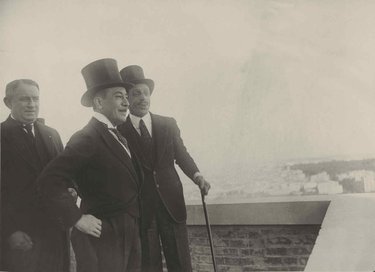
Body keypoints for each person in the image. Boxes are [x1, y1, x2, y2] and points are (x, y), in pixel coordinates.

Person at [37, 58, 143, 272]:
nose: (126, 103)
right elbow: (49, 180)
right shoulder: (87, 137)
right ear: (98, 103)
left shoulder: (117, 135)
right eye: (118, 97)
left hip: (129, 230)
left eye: (125, 97)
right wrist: (76, 218)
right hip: (103, 235)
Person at [118, 65, 211, 272]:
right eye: (136, 94)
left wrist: (197, 176)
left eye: (146, 93)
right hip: (143, 210)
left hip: (172, 204)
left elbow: (182, 155)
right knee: (148, 265)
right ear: (126, 98)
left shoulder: (167, 124)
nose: (143, 98)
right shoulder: (120, 131)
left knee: (180, 262)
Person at [1, 79, 69, 272]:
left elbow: (64, 175)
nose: (32, 104)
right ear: (8, 103)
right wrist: (8, 232)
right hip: (22, 237)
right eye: (24, 99)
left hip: (56, 235)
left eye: (35, 99)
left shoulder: (52, 135)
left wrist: (72, 188)